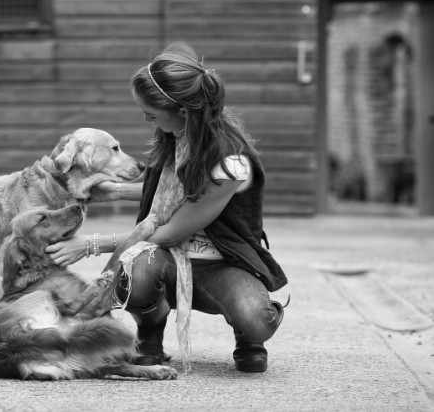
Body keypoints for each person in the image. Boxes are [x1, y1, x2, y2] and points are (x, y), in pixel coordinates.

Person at [45, 42, 288, 373]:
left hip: (223, 264)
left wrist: (90, 244)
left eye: (151, 113)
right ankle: (150, 338)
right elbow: (168, 195)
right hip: (170, 262)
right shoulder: (178, 137)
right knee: (140, 273)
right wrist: (110, 190)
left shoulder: (231, 165)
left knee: (255, 318)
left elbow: (170, 229)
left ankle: (250, 336)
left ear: (184, 112)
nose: (147, 119)